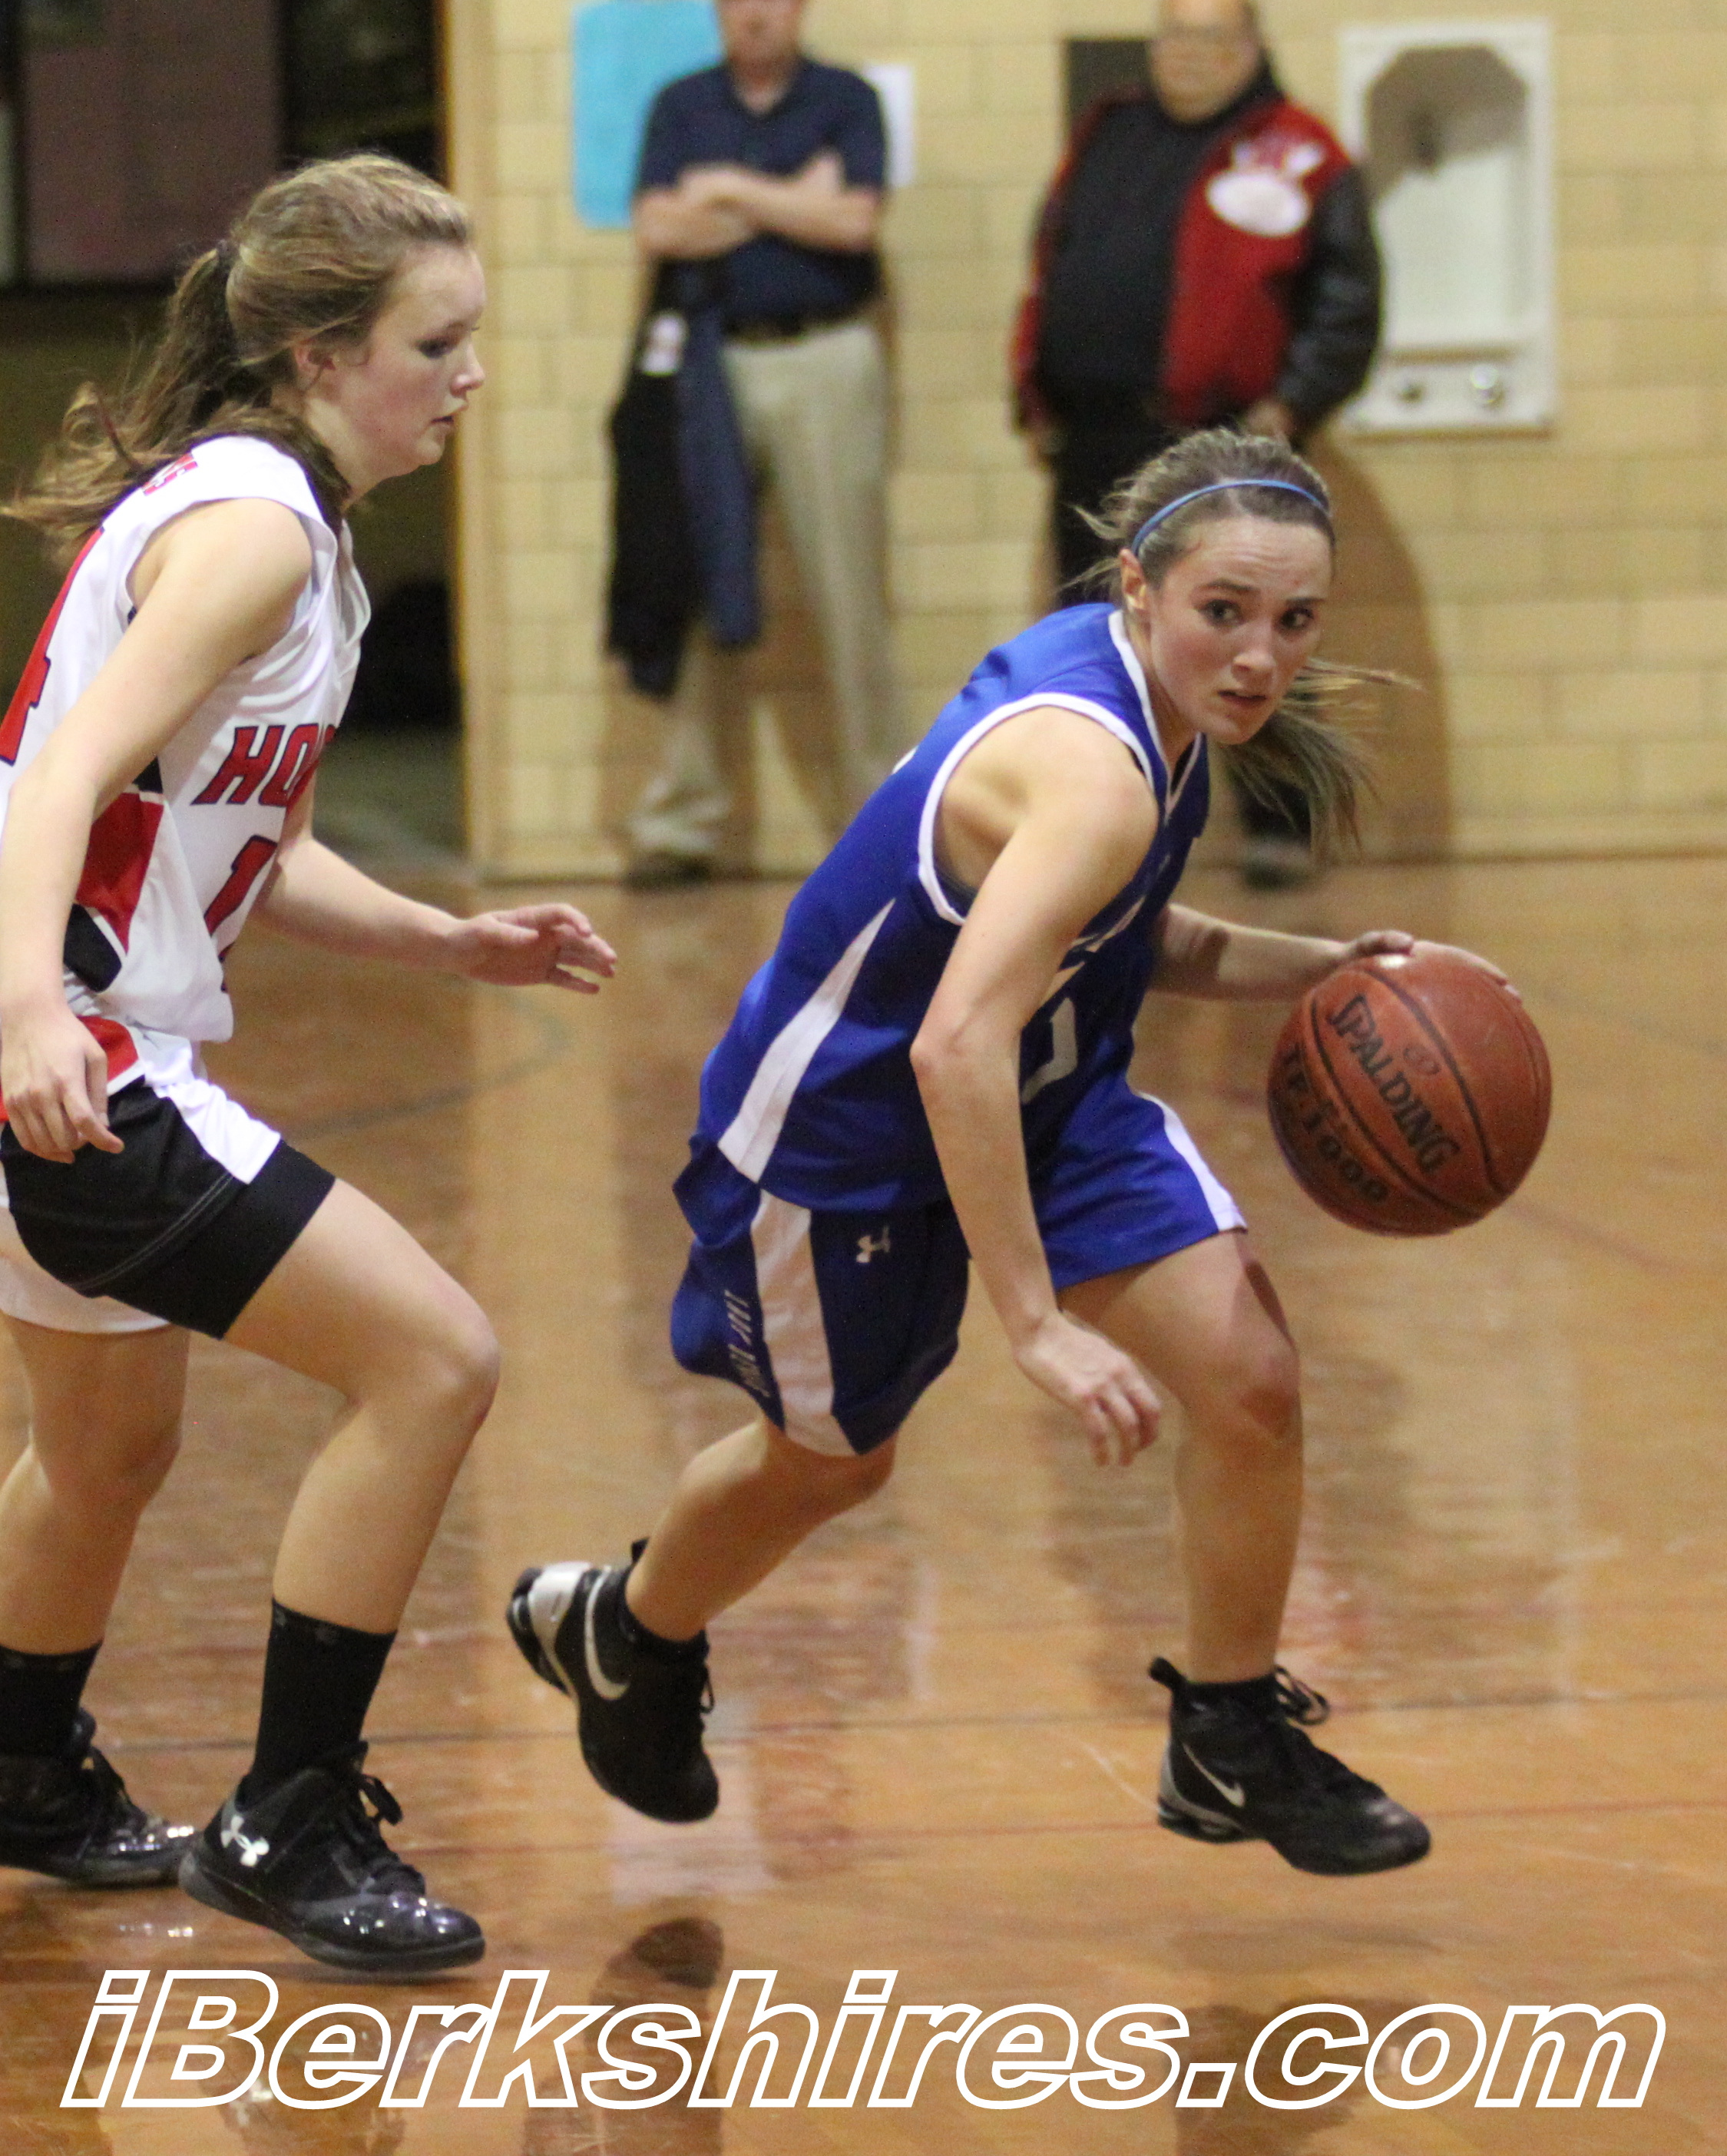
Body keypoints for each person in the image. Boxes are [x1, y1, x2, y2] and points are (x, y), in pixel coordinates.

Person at [512, 427, 1514, 1879]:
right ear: (1139, 586)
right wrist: (1033, 1323)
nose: (1256, 655)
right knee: (831, 1463)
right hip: (844, 1132)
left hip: (1045, 1093)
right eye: (1220, 612)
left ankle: (1223, 1734)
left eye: (1291, 621)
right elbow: (946, 1047)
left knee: (1248, 1383)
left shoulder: (1160, 717)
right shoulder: (1092, 766)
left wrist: (1332, 969)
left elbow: (1116, 935)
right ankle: (627, 1627)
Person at [0, 154, 614, 1974]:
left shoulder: (280, 516)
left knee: (104, 1450)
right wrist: (32, 1011)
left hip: (60, 1019)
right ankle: (294, 1812)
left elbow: (227, 818)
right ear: (321, 351)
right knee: (434, 1362)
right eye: (439, 341)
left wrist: (445, 937)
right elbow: (57, 782)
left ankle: (23, 1775)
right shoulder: (258, 523)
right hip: (78, 1044)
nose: (469, 373)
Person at [1011, 0, 1381, 887]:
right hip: (1099, 434)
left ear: (1249, 47)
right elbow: (1050, 258)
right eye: (1171, 34)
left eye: (1208, 36)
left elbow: (1347, 303)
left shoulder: (1299, 152)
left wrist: (1290, 407)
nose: (1185, 54)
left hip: (1222, 444)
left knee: (1249, 628)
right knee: (1102, 636)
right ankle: (1101, 820)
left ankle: (1278, 824)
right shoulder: (1109, 133)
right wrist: (1032, 387)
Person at [621, 0, 896, 886]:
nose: (756, 15)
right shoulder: (680, 104)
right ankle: (683, 821)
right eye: (739, 1)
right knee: (694, 577)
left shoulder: (845, 97)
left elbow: (854, 225)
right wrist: (792, 200)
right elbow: (659, 229)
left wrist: (724, 191)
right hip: (708, 364)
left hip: (825, 357)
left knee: (845, 589)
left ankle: (882, 821)